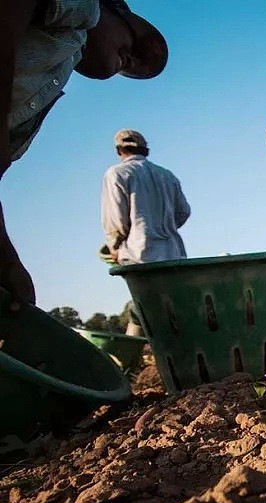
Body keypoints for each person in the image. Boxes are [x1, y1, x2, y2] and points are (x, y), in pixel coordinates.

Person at [1, 0, 168, 306]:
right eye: (132, 42)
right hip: (169, 257)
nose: (130, 59)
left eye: (132, 64)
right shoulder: (86, 11)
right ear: (112, 10)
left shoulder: (53, 77)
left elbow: (115, 219)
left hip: (138, 256)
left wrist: (7, 261)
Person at [101, 129, 190, 336]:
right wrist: (164, 226)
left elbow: (115, 221)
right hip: (173, 254)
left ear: (119, 150)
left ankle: (132, 357)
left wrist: (114, 246)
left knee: (143, 307)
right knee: (167, 306)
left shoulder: (116, 173)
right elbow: (183, 212)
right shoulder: (167, 176)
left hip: (139, 254)